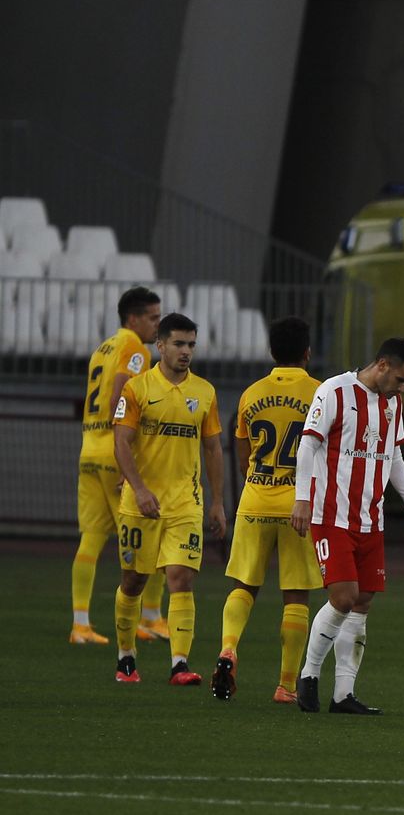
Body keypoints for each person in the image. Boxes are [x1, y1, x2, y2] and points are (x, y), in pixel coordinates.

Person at [291, 337, 404, 715]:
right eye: (401, 380)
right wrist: (302, 498)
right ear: (383, 364)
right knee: (343, 597)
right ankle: (308, 675)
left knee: (363, 601)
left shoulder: (392, 403)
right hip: (330, 514)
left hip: (371, 518)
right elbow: (307, 446)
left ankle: (343, 695)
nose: (402, 389)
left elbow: (393, 452)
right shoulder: (334, 391)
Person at [110, 313, 227, 685]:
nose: (186, 351)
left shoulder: (205, 392)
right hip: (139, 504)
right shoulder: (137, 388)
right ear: (159, 346)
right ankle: (126, 657)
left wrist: (218, 502)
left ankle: (180, 664)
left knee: (181, 579)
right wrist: (140, 489)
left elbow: (213, 449)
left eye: (191, 344)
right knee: (134, 581)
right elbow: (121, 442)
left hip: (185, 505)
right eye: (178, 343)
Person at [211, 316, 322, 704]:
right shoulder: (320, 393)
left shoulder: (250, 394)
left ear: (272, 352)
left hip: (255, 498)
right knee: (296, 595)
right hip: (300, 507)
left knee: (244, 585)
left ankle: (228, 648)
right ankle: (286, 685)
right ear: (307, 352)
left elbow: (242, 456)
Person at [70, 286, 161, 644]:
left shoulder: (101, 348)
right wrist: (128, 460)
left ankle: (80, 624)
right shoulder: (133, 348)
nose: (156, 325)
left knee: (90, 540)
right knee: (146, 533)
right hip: (113, 455)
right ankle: (146, 619)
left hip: (88, 451)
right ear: (133, 318)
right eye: (152, 318)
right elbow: (121, 392)